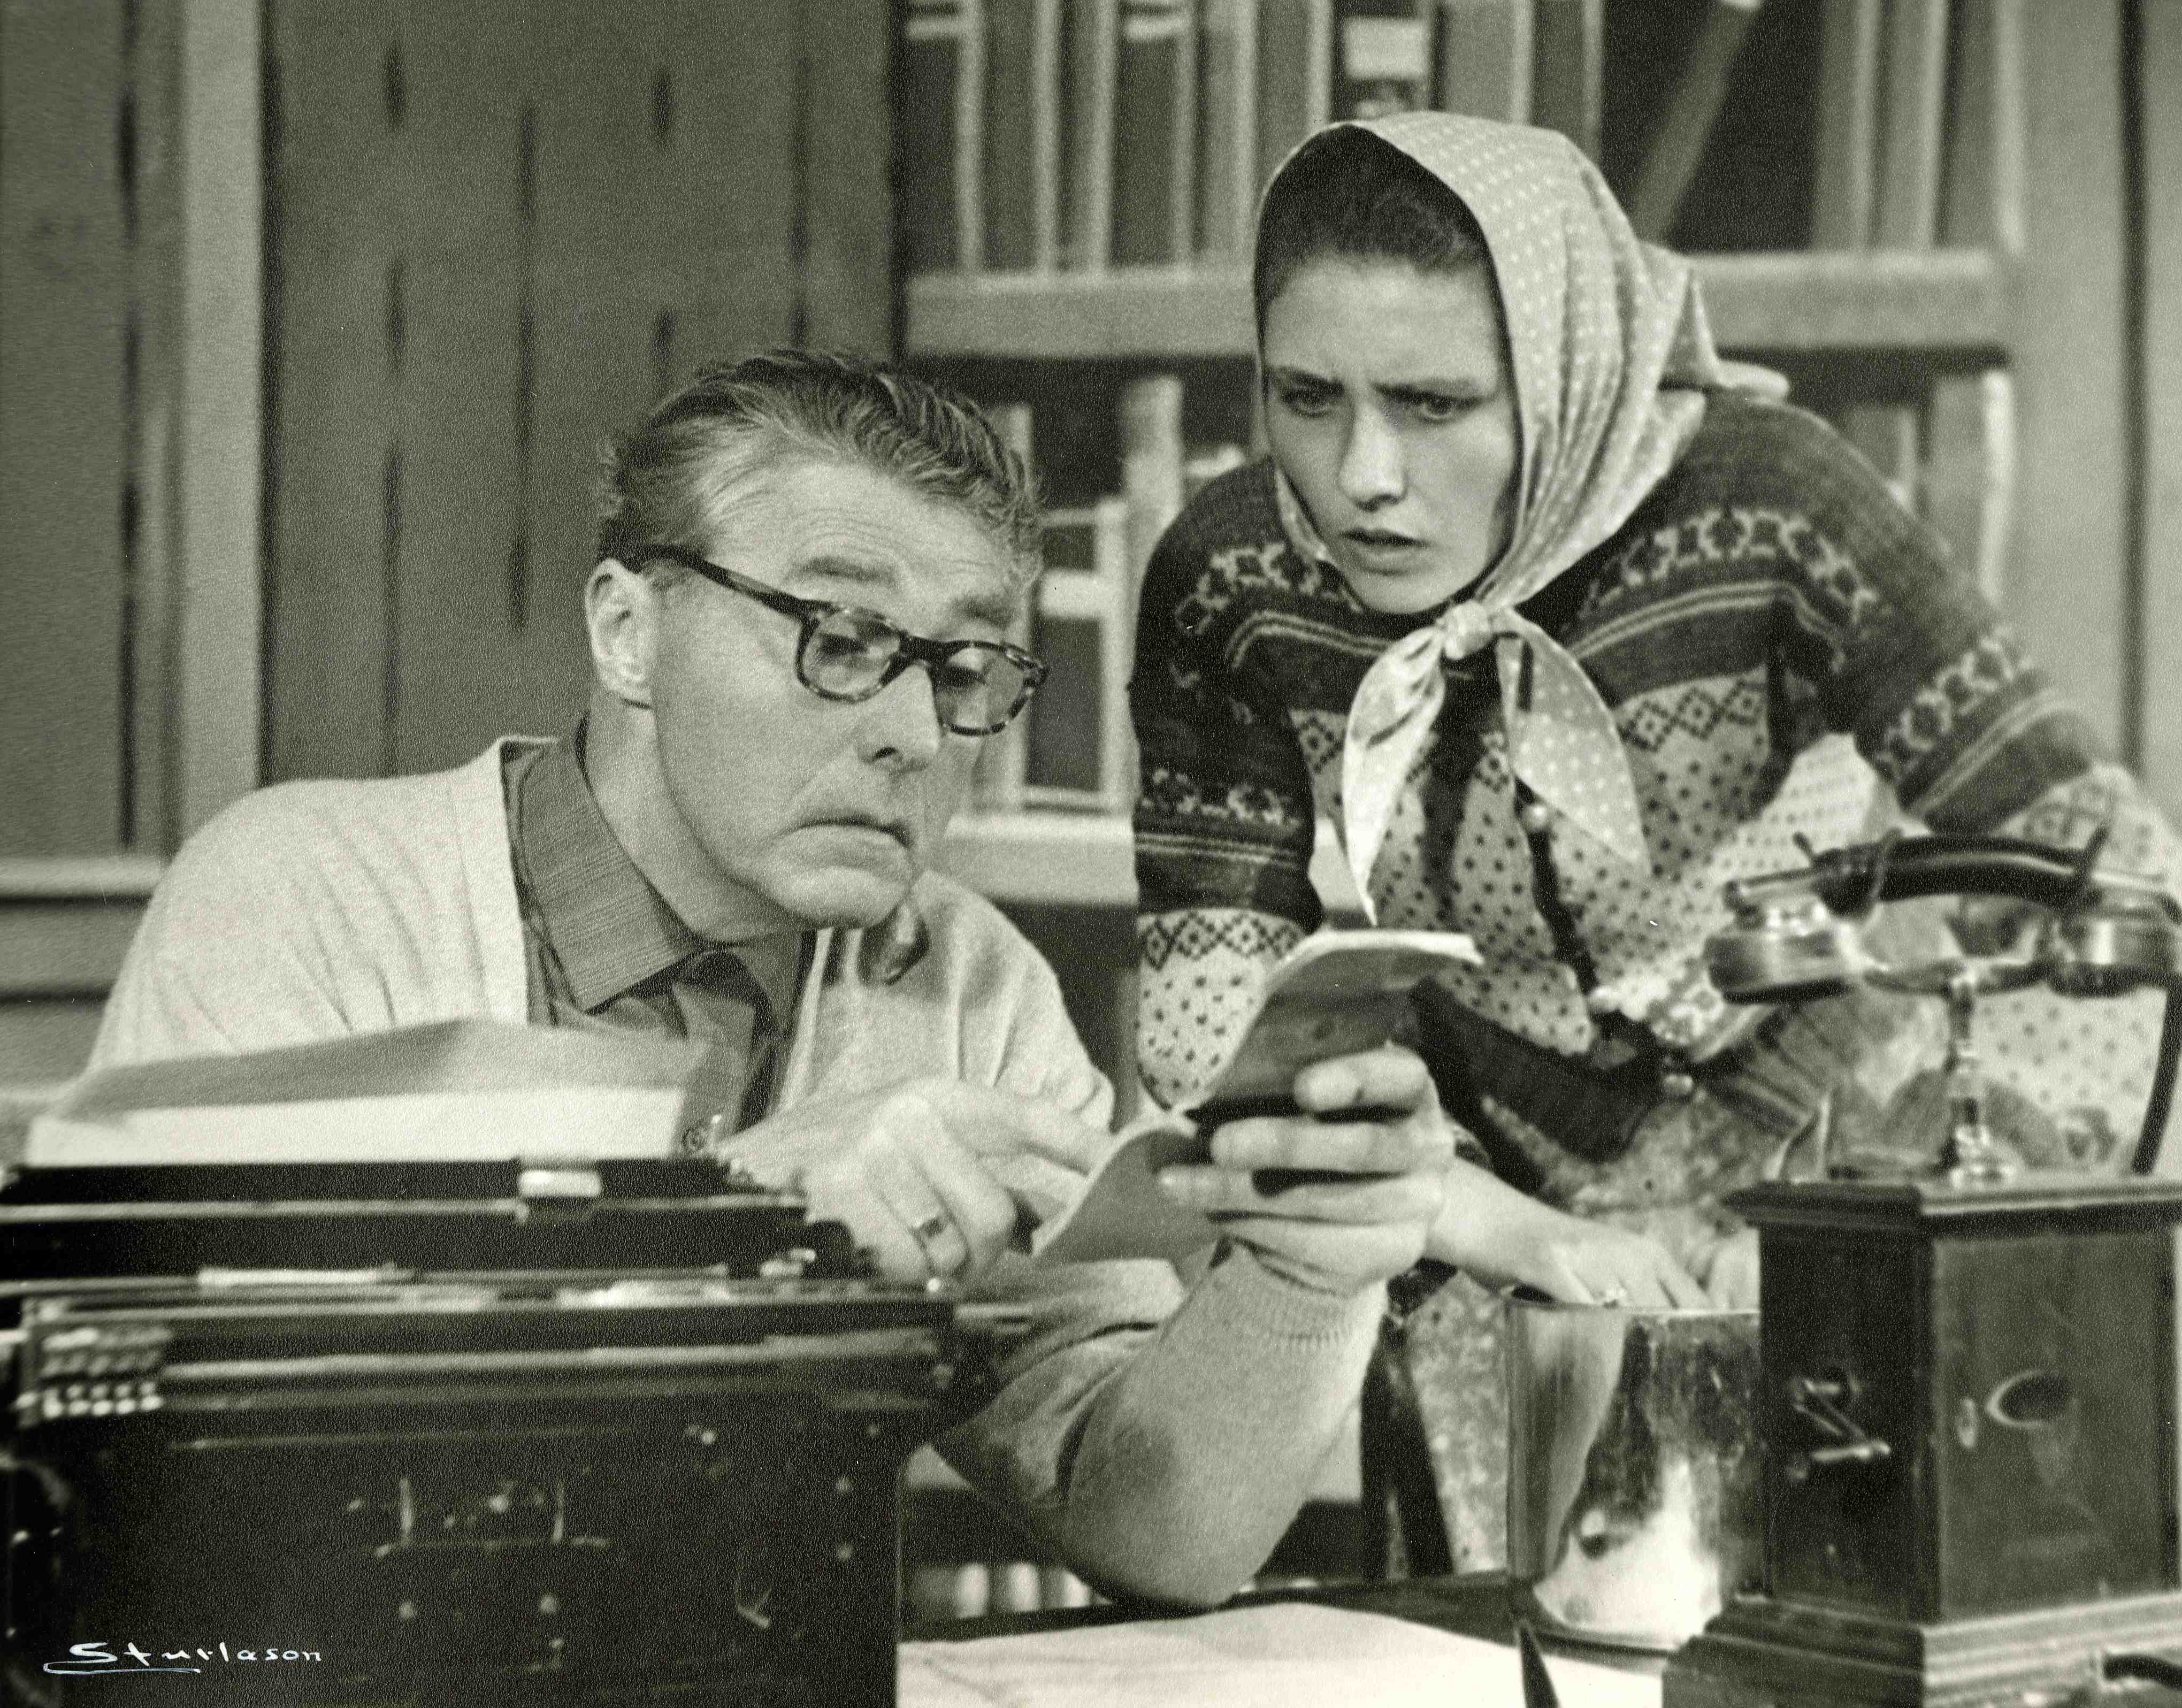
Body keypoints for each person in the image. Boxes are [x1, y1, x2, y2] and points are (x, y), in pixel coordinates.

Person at [88, 348, 1456, 1607]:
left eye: (965, 669)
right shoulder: (301, 903)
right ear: (626, 631)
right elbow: (207, 1513)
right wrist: (732, 1227)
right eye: (839, 639)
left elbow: (1150, 1529)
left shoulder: (970, 990)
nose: (915, 734)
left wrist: (1309, 1269)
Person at [1127, 113, 2182, 1566]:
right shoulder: (1228, 581)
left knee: (1862, 1588)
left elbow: (2100, 861)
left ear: (1565, 372)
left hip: (1835, 1139)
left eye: (1436, 404)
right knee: (1551, 1620)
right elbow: (1208, 1045)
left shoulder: (1775, 503)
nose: (1365, 474)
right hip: (1491, 1199)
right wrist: (1499, 1229)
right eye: (1305, 397)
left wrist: (1877, 1218)